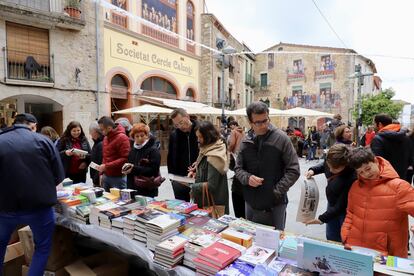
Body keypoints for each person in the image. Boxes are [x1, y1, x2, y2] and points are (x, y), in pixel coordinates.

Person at [0, 113, 65, 275]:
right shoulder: (43, 141)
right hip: (39, 207)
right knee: (42, 247)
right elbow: (58, 176)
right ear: (33, 126)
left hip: (4, 208)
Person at [235, 102, 300, 230]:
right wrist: (247, 178)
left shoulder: (282, 139)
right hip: (250, 203)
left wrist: (275, 192)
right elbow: (238, 168)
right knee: (252, 240)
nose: (263, 125)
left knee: (275, 242)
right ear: (250, 122)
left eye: (266, 120)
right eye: (258, 122)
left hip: (275, 205)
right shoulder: (245, 140)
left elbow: (294, 170)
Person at [341, 147, 414, 258]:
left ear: (375, 161)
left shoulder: (399, 187)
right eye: (361, 172)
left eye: (368, 168)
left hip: (387, 253)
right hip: (356, 247)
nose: (366, 174)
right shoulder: (356, 186)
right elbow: (351, 213)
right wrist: (345, 234)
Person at [304, 144, 357, 242]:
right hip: (332, 204)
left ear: (345, 165)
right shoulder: (331, 161)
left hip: (344, 210)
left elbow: (341, 205)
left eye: (335, 169)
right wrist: (313, 170)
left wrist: (321, 219)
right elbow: (323, 166)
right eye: (330, 166)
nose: (331, 170)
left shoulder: (352, 177)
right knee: (331, 236)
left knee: (344, 238)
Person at [189, 121, 229, 214]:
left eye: (200, 137)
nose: (198, 140)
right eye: (197, 137)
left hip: (212, 203)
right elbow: (208, 172)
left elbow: (211, 185)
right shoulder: (208, 149)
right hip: (206, 201)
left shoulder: (214, 155)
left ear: (208, 136)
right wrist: (196, 173)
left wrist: (191, 186)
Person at [167, 108, 199, 202]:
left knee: (199, 210)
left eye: (181, 122)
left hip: (197, 178)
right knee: (182, 209)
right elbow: (170, 157)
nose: (180, 126)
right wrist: (172, 178)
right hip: (179, 179)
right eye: (176, 125)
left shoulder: (200, 130)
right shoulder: (174, 135)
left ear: (187, 116)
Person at [123, 123, 161, 197]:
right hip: (132, 188)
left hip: (147, 188)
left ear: (146, 135)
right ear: (133, 137)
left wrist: (134, 168)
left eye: (142, 135)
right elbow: (130, 165)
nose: (140, 138)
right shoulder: (132, 150)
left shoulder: (153, 150)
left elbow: (154, 170)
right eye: (137, 136)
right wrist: (126, 169)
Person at [371, 113, 412, 179]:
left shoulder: (377, 139)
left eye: (374, 124)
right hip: (402, 178)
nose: (373, 126)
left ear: (380, 124)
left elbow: (377, 162)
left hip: (386, 179)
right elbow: (410, 159)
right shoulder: (406, 137)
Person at [97, 116, 130, 191]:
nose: (101, 132)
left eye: (102, 130)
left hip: (118, 177)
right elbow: (105, 156)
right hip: (106, 176)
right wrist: (101, 173)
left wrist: (106, 166)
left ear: (109, 128)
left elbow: (125, 158)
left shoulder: (122, 138)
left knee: (119, 201)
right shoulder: (106, 137)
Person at [227, 121, 246, 218]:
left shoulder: (234, 132)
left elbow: (232, 143)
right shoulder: (243, 132)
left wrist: (228, 151)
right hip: (242, 156)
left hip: (236, 155)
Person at [89, 121, 104, 187]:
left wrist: (95, 179)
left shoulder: (100, 144)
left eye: (91, 132)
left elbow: (100, 162)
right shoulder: (97, 142)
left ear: (96, 132)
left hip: (98, 179)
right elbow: (94, 157)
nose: (90, 134)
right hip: (96, 177)